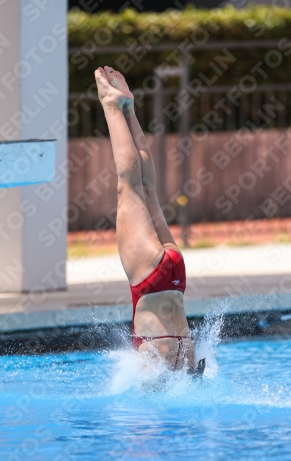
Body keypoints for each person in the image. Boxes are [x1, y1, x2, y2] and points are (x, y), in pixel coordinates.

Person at [94, 66, 205, 374]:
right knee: (128, 186)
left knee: (147, 188)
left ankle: (129, 109)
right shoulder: (154, 362)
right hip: (152, 282)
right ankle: (111, 105)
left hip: (175, 272)